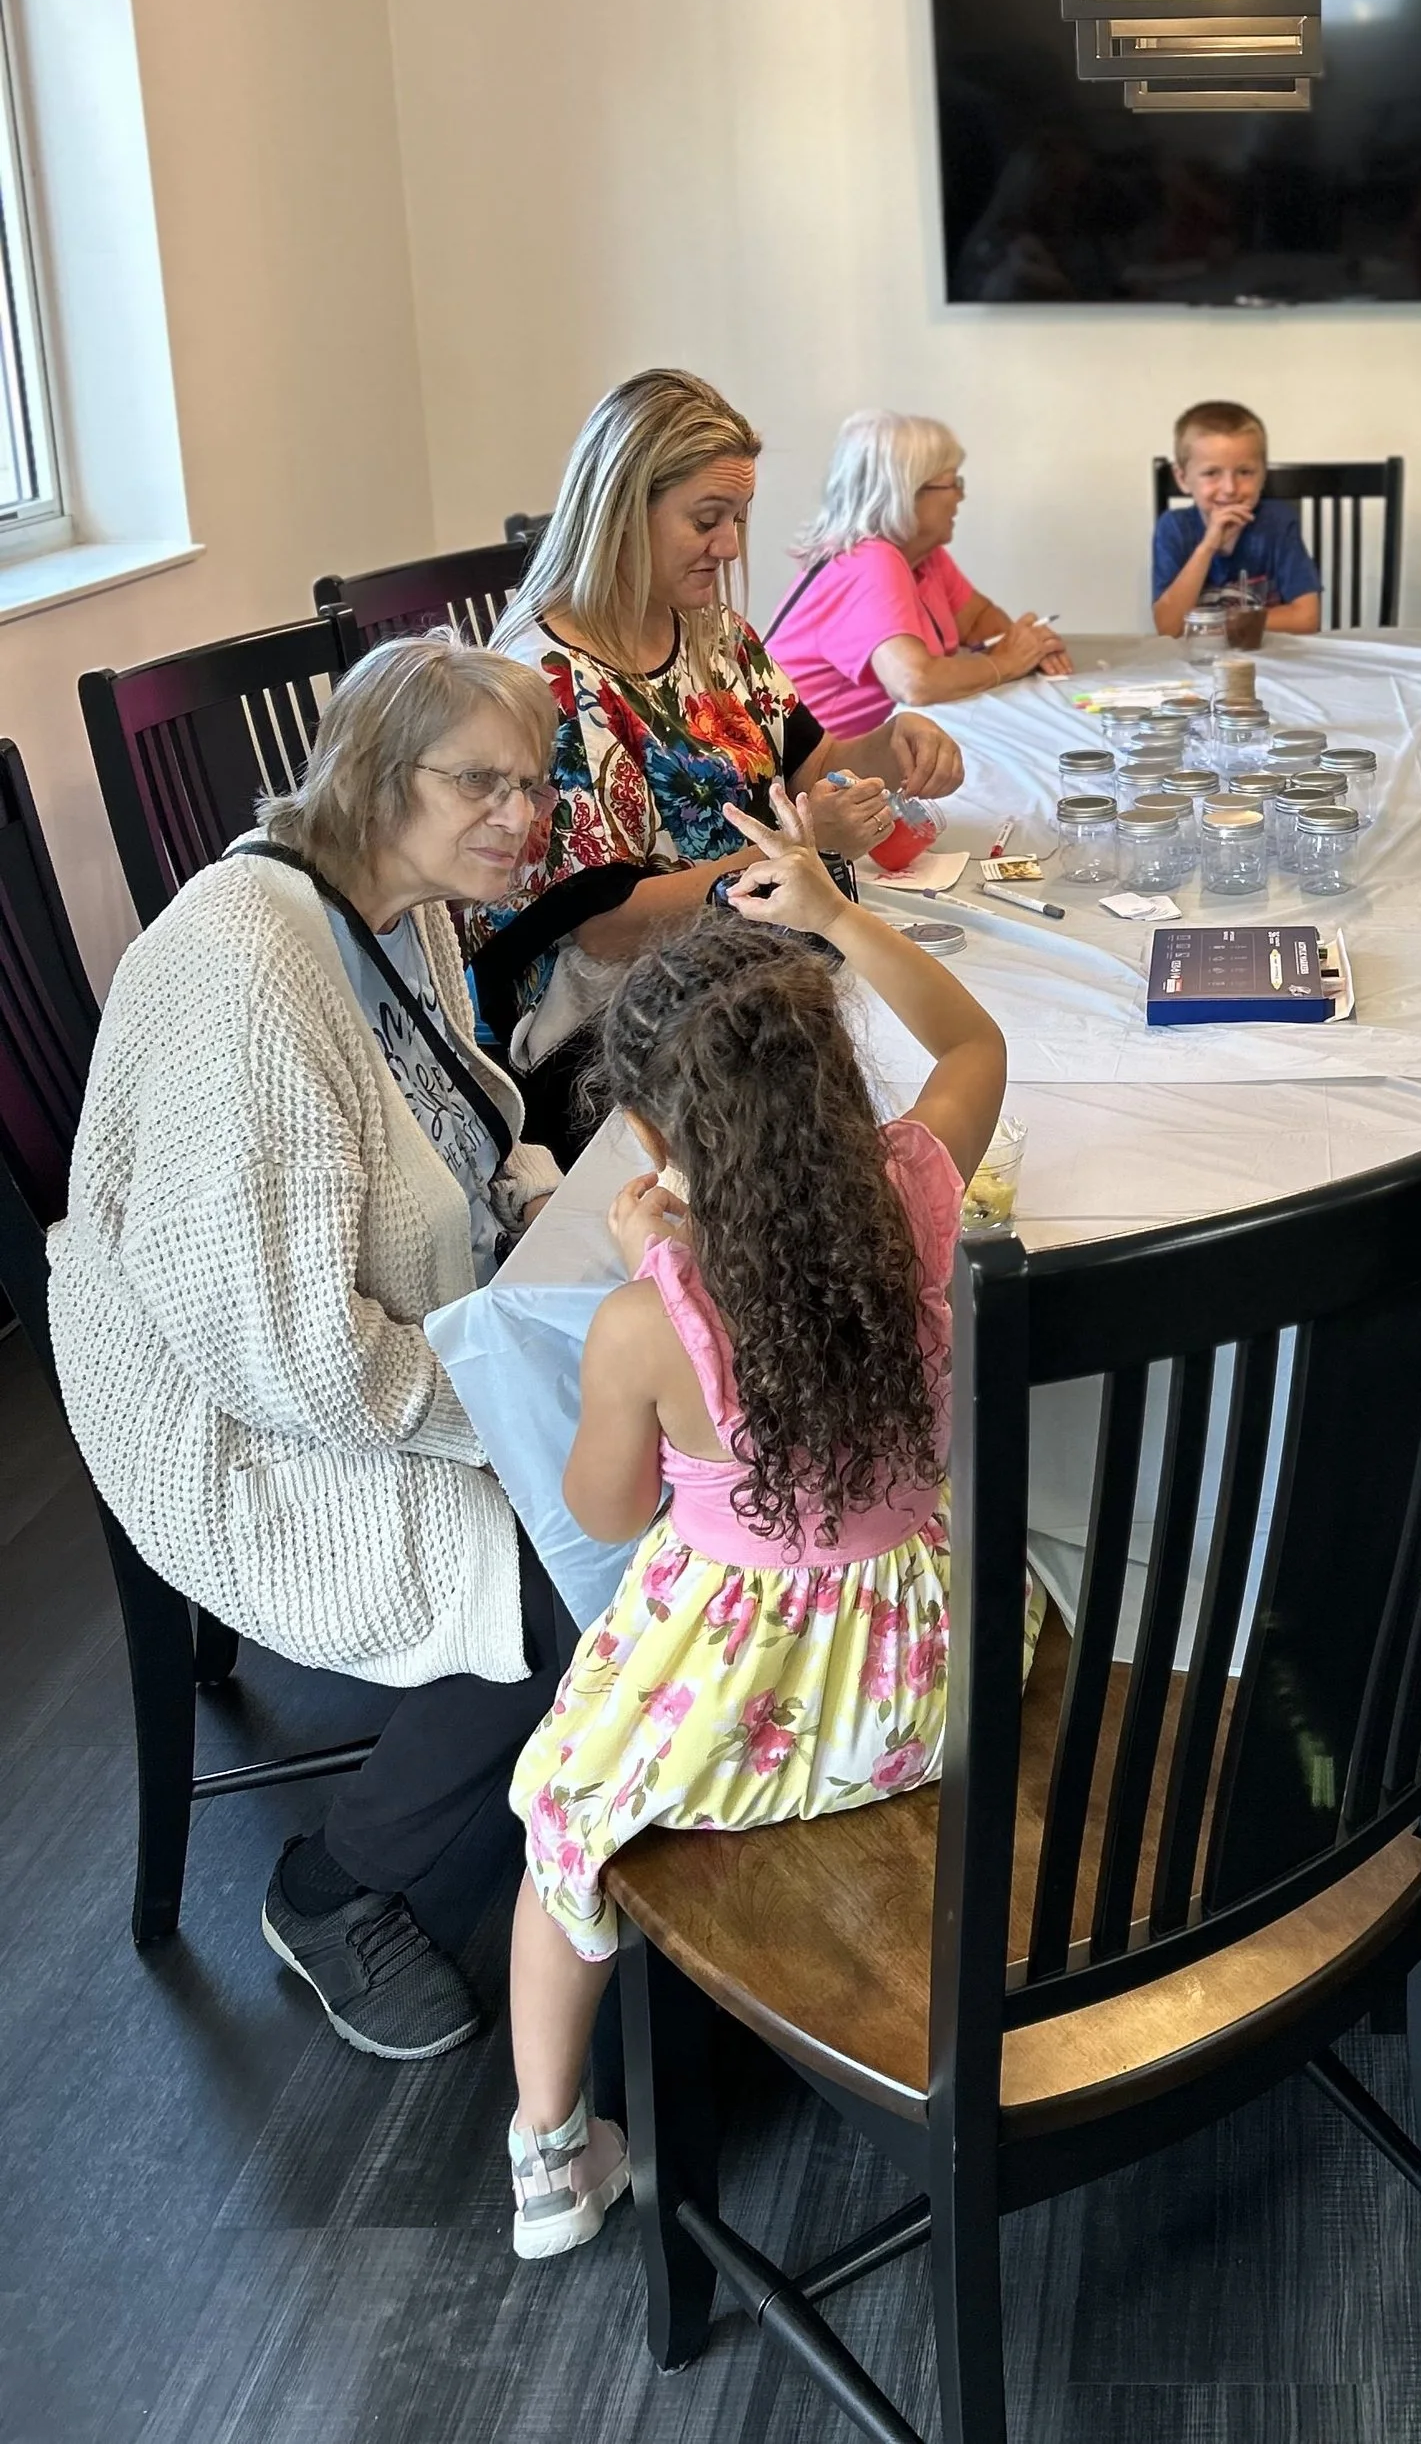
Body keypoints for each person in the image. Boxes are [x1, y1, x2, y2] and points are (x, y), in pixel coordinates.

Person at [500, 792, 1035, 2257]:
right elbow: (978, 1045)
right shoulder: (920, 1188)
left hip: (740, 1709)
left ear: (660, 1138)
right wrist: (840, 915)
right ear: (835, 1078)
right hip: (931, 1686)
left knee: (557, 1821)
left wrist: (651, 1277)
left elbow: (602, 1514)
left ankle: (551, 2147)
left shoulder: (644, 1321)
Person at [50, 639, 579, 2062]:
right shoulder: (247, 970)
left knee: (654, 1443)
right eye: (480, 781)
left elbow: (470, 1116)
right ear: (366, 775)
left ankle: (592, 1791)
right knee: (574, 1545)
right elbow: (284, 1357)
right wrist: (521, 1411)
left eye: (531, 783)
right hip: (225, 1408)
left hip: (369, 1334)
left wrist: (550, 1215)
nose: (519, 817)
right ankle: (335, 1888)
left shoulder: (399, 904)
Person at [476, 370, 965, 1140]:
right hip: (622, 1041)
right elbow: (603, 929)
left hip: (745, 975)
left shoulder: (711, 632)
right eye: (708, 518)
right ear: (620, 514)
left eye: (737, 516)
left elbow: (817, 766)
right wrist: (798, 853)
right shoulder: (549, 680)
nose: (731, 544)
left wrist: (895, 747)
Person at [768, 408, 1069, 734]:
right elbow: (915, 682)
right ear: (907, 492)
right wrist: (1008, 662)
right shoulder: (867, 561)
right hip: (801, 773)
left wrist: (1024, 647)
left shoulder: (922, 556)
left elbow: (978, 619)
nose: (961, 496)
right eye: (953, 482)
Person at [1149, 399, 1324, 638]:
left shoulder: (1278, 524)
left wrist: (1214, 623)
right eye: (1211, 473)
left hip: (1269, 663)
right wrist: (1207, 547)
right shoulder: (1174, 528)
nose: (1230, 488)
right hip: (1198, 664)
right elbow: (1169, 628)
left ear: (1263, 475)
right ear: (1182, 478)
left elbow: (1307, 619)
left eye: (1245, 472)